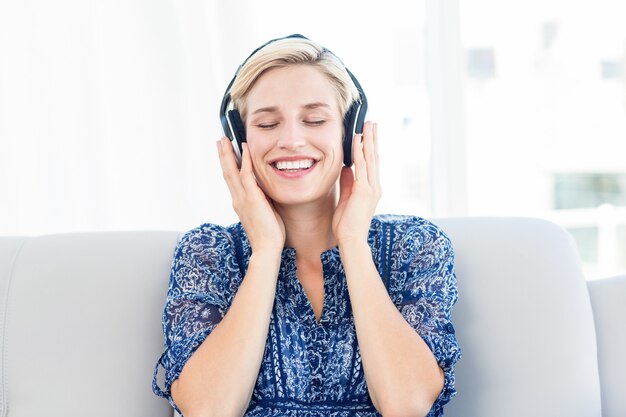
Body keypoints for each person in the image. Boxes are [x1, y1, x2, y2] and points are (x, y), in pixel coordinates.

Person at [152, 34, 461, 417]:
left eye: (314, 120)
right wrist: (265, 250)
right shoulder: (208, 253)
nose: (292, 140)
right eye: (267, 124)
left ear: (350, 134)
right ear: (238, 141)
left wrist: (353, 243)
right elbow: (208, 409)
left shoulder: (414, 245)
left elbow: (407, 405)